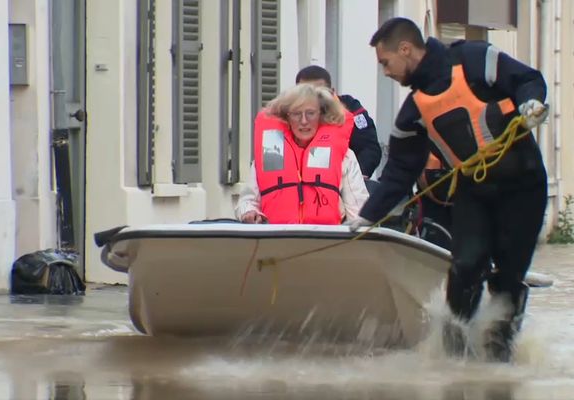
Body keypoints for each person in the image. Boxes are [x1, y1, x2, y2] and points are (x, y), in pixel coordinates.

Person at [350, 17, 549, 362]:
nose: (385, 72)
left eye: (385, 63)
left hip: (524, 189)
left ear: (406, 49)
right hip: (474, 192)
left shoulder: (475, 59)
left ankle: (500, 360)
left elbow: (528, 79)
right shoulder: (412, 114)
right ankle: (454, 360)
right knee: (465, 267)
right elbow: (398, 173)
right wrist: (365, 217)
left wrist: (531, 103)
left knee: (507, 279)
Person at [235, 83, 369, 224]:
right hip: (276, 240)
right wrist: (249, 212)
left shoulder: (345, 156)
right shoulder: (271, 153)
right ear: (286, 117)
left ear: (321, 115)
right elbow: (246, 202)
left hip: (327, 240)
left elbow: (359, 211)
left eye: (310, 113)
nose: (304, 121)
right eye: (297, 114)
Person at [295, 65, 383, 181]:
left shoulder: (351, 109)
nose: (314, 99)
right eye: (306, 93)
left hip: (344, 179)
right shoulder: (289, 113)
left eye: (320, 93)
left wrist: (354, 179)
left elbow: (369, 148)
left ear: (332, 92)